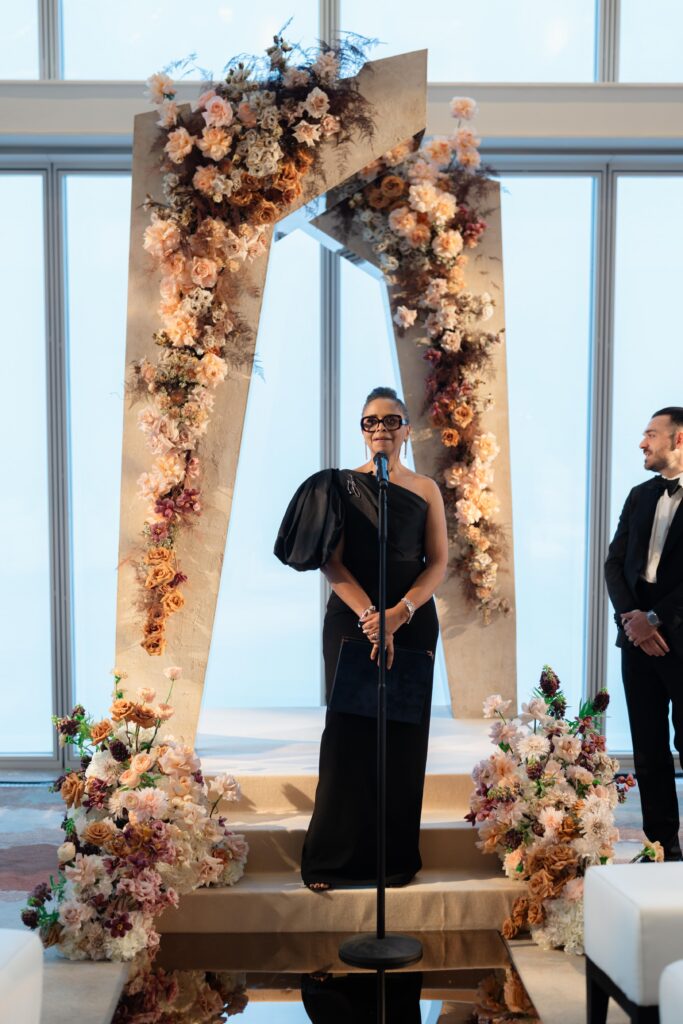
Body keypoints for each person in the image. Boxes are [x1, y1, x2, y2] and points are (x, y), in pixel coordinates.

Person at [274, 386, 448, 889]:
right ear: (362, 431)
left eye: (391, 421)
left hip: (412, 621)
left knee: (402, 740)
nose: (381, 430)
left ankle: (391, 861)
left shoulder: (426, 489)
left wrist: (400, 613)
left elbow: (436, 562)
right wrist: (373, 616)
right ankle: (330, 859)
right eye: (371, 422)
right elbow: (332, 561)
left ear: (407, 430)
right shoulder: (342, 485)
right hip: (353, 620)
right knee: (348, 736)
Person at [605, 406, 683, 862]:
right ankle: (662, 846)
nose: (642, 443)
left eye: (651, 434)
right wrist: (633, 619)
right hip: (636, 642)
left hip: (679, 640)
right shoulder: (638, 495)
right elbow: (615, 564)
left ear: (677, 440)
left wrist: (654, 619)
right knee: (648, 749)